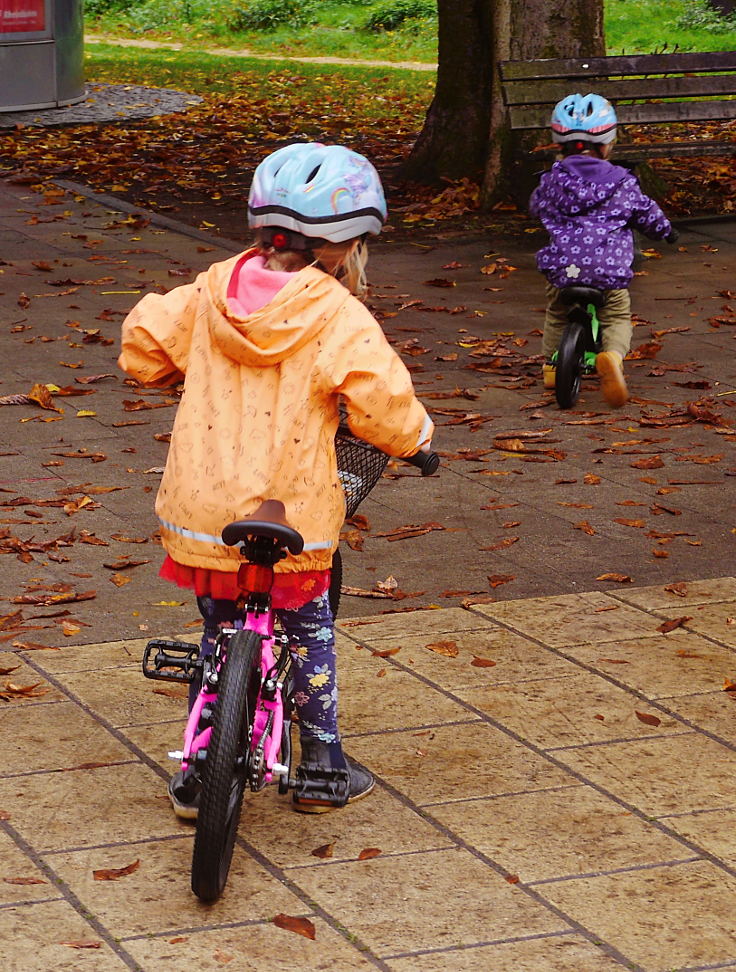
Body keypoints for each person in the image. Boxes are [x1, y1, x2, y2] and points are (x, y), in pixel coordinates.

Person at [118, 142, 434, 816]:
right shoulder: (336, 313)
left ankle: (199, 773)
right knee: (310, 635)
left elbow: (144, 348)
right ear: (344, 246)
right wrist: (418, 442)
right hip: (286, 511)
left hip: (201, 510)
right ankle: (321, 764)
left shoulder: (207, 294)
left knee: (221, 630)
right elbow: (381, 402)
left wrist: (181, 367)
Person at [530, 93, 676, 407]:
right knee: (616, 317)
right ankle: (611, 356)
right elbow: (647, 214)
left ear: (558, 144)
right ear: (608, 143)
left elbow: (535, 207)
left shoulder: (551, 181)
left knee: (557, 313)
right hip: (608, 271)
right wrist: (666, 232)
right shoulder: (623, 182)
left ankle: (552, 369)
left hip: (563, 270)